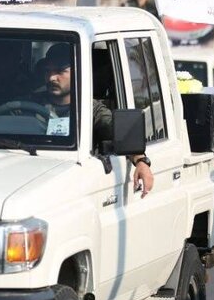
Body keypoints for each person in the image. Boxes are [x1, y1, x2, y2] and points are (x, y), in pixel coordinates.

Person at [33, 43, 154, 197]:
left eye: (60, 71)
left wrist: (141, 161)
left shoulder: (92, 110)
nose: (51, 77)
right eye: (48, 71)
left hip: (73, 184)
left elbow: (122, 136)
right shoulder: (28, 104)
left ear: (78, 73)